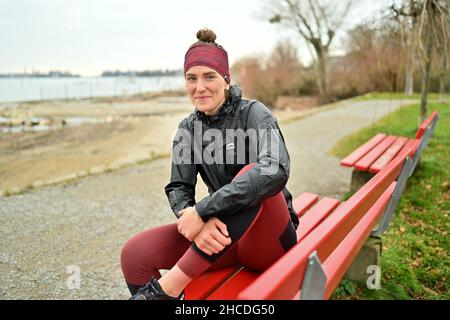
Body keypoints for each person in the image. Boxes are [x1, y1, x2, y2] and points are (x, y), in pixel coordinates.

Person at [120, 28, 299, 300]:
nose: (199, 87)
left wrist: (204, 210)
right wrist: (190, 216)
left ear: (226, 80)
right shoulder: (187, 130)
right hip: (224, 238)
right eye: (191, 78)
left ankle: (166, 290)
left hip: (269, 240)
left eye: (209, 77)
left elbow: (275, 169)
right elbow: (179, 187)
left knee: (251, 175)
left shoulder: (254, 114)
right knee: (134, 254)